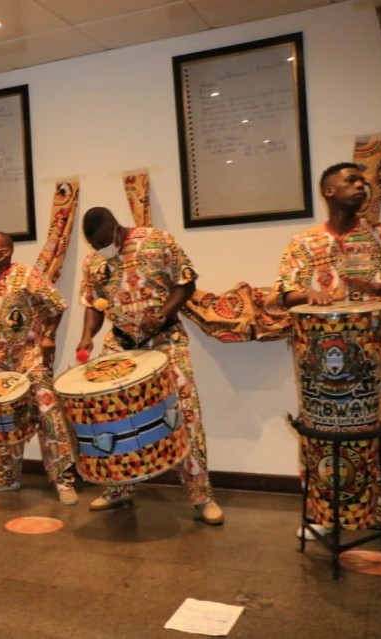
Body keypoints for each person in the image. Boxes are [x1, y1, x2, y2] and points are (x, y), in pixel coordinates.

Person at [76, 207, 224, 525]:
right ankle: (120, 488)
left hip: (165, 339)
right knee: (112, 417)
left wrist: (162, 313)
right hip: (121, 343)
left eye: (103, 241)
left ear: (116, 230)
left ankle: (202, 496)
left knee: (184, 415)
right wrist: (87, 336)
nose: (100, 248)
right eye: (94, 244)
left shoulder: (157, 241)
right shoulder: (93, 262)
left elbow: (186, 283)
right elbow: (93, 303)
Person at [275, 161, 381, 540]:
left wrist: (374, 289)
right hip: (321, 361)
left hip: (379, 354)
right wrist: (309, 293)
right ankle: (324, 515)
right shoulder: (305, 242)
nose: (362, 186)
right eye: (351, 181)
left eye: (363, 181)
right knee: (321, 434)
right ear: (329, 191)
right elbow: (284, 293)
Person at [0, 231, 78, 505]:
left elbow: (56, 305)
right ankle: (6, 477)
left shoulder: (28, 275)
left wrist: (49, 335)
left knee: (48, 415)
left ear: (6, 251)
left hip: (30, 358)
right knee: (1, 419)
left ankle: (63, 481)